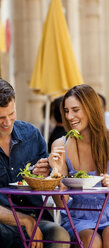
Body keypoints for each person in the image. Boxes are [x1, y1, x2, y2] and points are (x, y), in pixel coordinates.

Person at [0, 76, 70, 248]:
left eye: (11, 113)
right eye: (0, 118)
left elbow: (48, 182)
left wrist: (48, 172)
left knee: (60, 234)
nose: (8, 122)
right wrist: (23, 220)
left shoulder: (32, 134)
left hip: (37, 219)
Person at [46, 84, 109, 248]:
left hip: (107, 209)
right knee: (92, 241)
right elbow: (61, 204)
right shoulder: (61, 145)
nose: (69, 116)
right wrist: (57, 172)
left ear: (91, 109)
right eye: (66, 111)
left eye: (75, 110)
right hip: (78, 217)